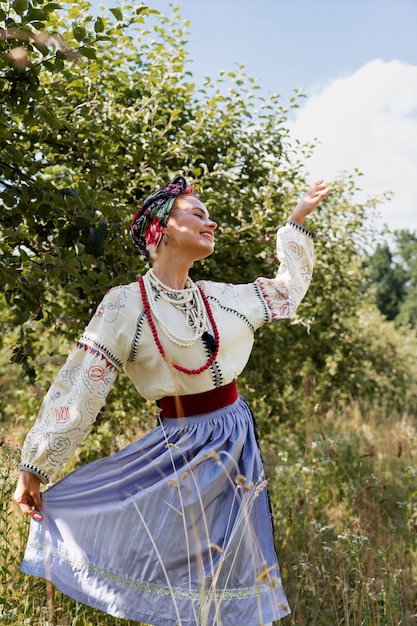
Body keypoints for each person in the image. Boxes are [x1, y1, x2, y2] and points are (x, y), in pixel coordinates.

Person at [14, 175, 329, 625]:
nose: (211, 222)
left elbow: (284, 292)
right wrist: (35, 465)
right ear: (160, 229)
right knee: (174, 570)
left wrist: (295, 222)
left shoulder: (219, 298)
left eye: (209, 215)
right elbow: (82, 382)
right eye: (197, 214)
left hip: (235, 441)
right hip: (178, 450)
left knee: (231, 570)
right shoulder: (126, 305)